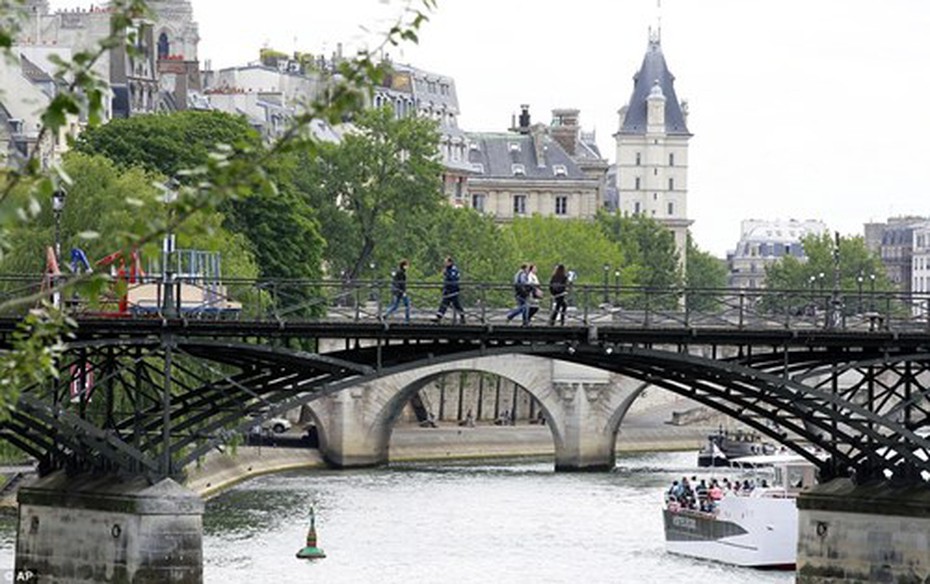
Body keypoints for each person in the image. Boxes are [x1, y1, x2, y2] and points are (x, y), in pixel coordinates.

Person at [433, 256, 465, 323]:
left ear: (450, 262)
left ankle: (462, 317)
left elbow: (453, 279)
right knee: (444, 303)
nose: (445, 263)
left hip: (453, 290)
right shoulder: (447, 269)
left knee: (456, 304)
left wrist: (446, 273)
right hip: (447, 290)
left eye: (446, 262)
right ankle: (439, 317)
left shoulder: (454, 269)